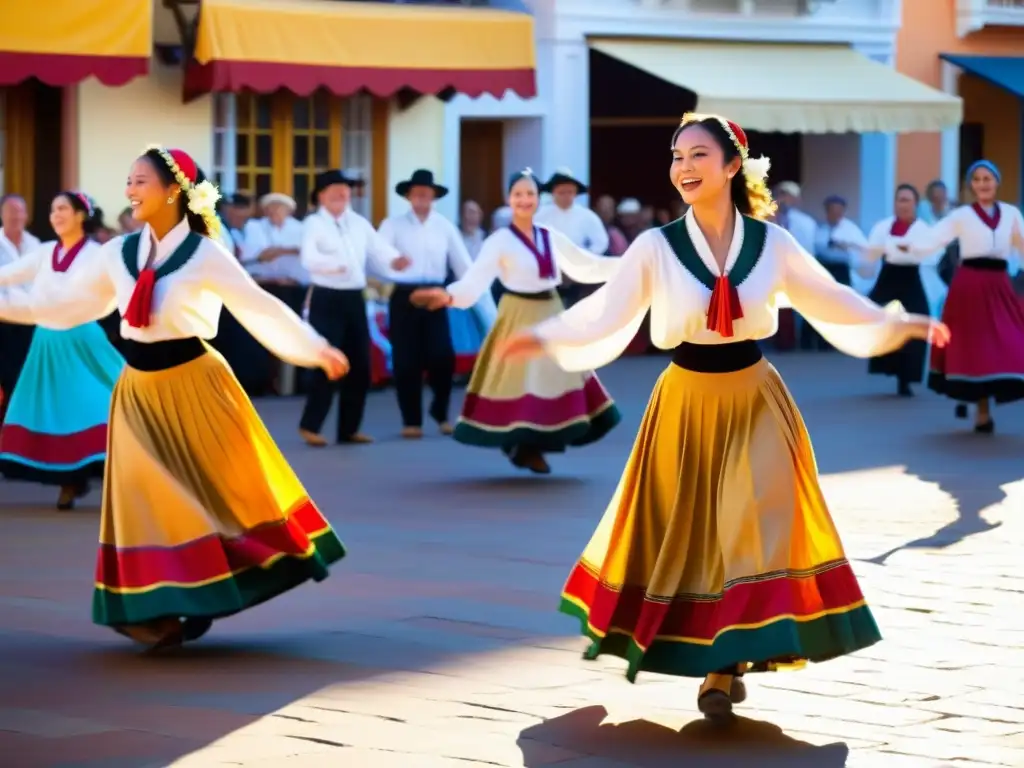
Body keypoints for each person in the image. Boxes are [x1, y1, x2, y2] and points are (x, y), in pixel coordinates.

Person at [497, 113, 945, 720]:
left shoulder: (773, 244)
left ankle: (721, 667)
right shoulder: (655, 246)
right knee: (693, 534)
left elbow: (831, 300)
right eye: (677, 155)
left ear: (732, 165)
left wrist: (900, 323)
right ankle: (715, 660)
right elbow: (605, 312)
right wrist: (545, 336)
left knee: (753, 517)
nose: (683, 167)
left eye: (698, 155)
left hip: (757, 395)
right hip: (685, 398)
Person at [0, 146, 349, 648]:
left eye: (140, 181)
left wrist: (313, 349)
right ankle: (156, 608)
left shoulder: (206, 253)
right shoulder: (115, 253)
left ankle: (194, 595)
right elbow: (60, 305)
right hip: (137, 392)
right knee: (147, 499)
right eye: (129, 180)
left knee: (213, 498)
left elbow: (259, 307)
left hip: (196, 385)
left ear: (173, 191)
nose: (129, 190)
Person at [411, 170, 621, 475]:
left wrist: (630, 265)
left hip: (550, 311)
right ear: (509, 199)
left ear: (538, 199)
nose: (524, 200)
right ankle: (522, 446)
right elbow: (475, 281)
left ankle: (535, 445)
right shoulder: (499, 241)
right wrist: (448, 297)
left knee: (556, 377)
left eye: (530, 194)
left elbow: (586, 265)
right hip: (517, 315)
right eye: (518, 194)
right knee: (521, 382)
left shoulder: (550, 236)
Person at [0, 192, 125, 509]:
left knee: (97, 405)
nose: (56, 215)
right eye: (53, 209)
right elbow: (9, 275)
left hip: (82, 341)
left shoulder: (99, 253)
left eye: (63, 209)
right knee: (57, 412)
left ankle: (121, 479)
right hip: (47, 342)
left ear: (80, 215)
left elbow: (122, 286)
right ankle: (71, 481)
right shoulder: (45, 252)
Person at [897, 160, 1024, 432]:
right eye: (977, 179)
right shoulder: (962, 216)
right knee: (975, 347)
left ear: (997, 181)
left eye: (987, 178)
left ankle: (983, 404)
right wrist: (909, 245)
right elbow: (934, 238)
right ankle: (981, 411)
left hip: (1000, 285)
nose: (982, 184)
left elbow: (1023, 246)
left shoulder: (1012, 214)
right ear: (971, 185)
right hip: (969, 287)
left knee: (1010, 340)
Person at [298, 169, 410, 446]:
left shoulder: (358, 223)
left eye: (345, 189)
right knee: (327, 360)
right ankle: (311, 425)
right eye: (335, 189)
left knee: (359, 364)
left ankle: (349, 429)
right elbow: (307, 258)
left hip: (353, 298)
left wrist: (395, 260)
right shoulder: (313, 223)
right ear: (321, 195)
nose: (341, 193)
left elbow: (379, 249)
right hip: (327, 296)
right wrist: (335, 266)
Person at [378, 169, 483, 438]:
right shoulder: (393, 224)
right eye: (417, 193)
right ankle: (410, 420)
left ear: (433, 196)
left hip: (436, 294)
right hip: (405, 295)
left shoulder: (444, 226)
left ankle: (441, 411)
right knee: (406, 360)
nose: (422, 198)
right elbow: (378, 257)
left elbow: (462, 264)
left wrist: (472, 288)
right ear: (409, 196)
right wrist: (394, 264)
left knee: (442, 356)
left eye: (427, 193)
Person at [858, 184, 933, 396]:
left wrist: (902, 248)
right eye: (900, 200)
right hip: (888, 277)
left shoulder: (923, 229)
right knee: (884, 322)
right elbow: (871, 253)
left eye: (908, 200)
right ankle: (890, 368)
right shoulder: (883, 227)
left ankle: (907, 377)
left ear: (916, 204)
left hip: (911, 279)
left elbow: (928, 254)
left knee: (917, 321)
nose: (904, 204)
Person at [0, 194, 41, 424]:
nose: (15, 216)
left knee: (24, 378)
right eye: (10, 211)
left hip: (29, 323)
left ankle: (20, 427)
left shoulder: (35, 245)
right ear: (2, 214)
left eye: (20, 211)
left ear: (26, 215)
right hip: (2, 321)